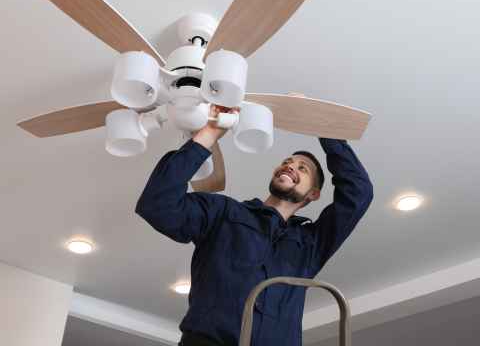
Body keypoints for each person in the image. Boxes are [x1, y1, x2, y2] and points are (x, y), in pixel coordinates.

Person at [135, 105, 373, 346]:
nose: (290, 166)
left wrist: (319, 125)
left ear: (313, 194)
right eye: (288, 162)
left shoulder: (311, 245)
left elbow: (359, 193)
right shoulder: (223, 213)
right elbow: (157, 205)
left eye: (303, 168)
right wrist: (209, 133)